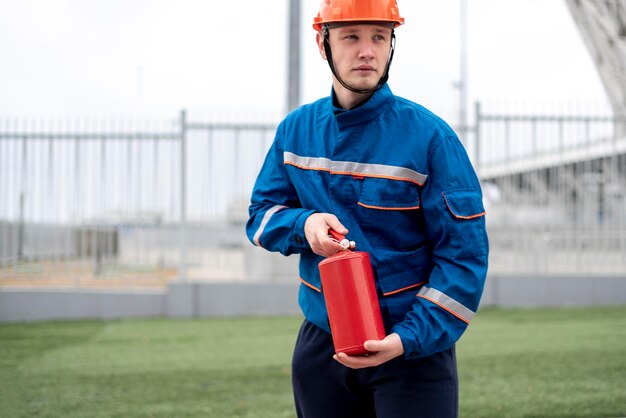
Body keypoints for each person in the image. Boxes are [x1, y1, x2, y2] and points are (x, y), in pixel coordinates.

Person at [246, 0, 488, 416]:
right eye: (351, 37)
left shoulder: (430, 138)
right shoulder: (296, 130)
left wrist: (408, 339)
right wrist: (304, 225)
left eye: (379, 36)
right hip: (323, 347)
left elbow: (464, 256)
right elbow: (260, 215)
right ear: (323, 44)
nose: (367, 51)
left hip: (412, 352)